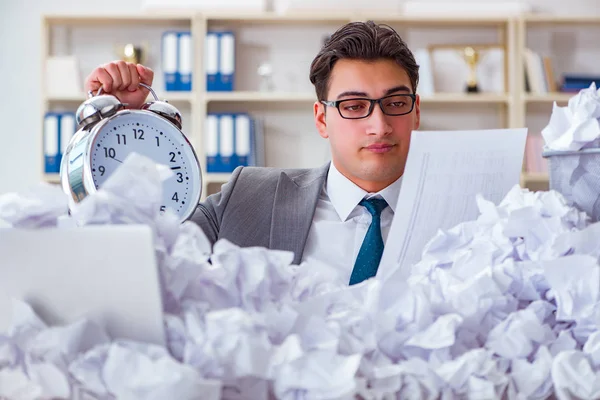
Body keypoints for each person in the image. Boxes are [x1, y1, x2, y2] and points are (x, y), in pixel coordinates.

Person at [84, 20, 421, 285]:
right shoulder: (247, 197)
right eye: (354, 105)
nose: (379, 125)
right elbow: (143, 258)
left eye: (395, 103)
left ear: (415, 111)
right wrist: (125, 126)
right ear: (322, 119)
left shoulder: (466, 216)